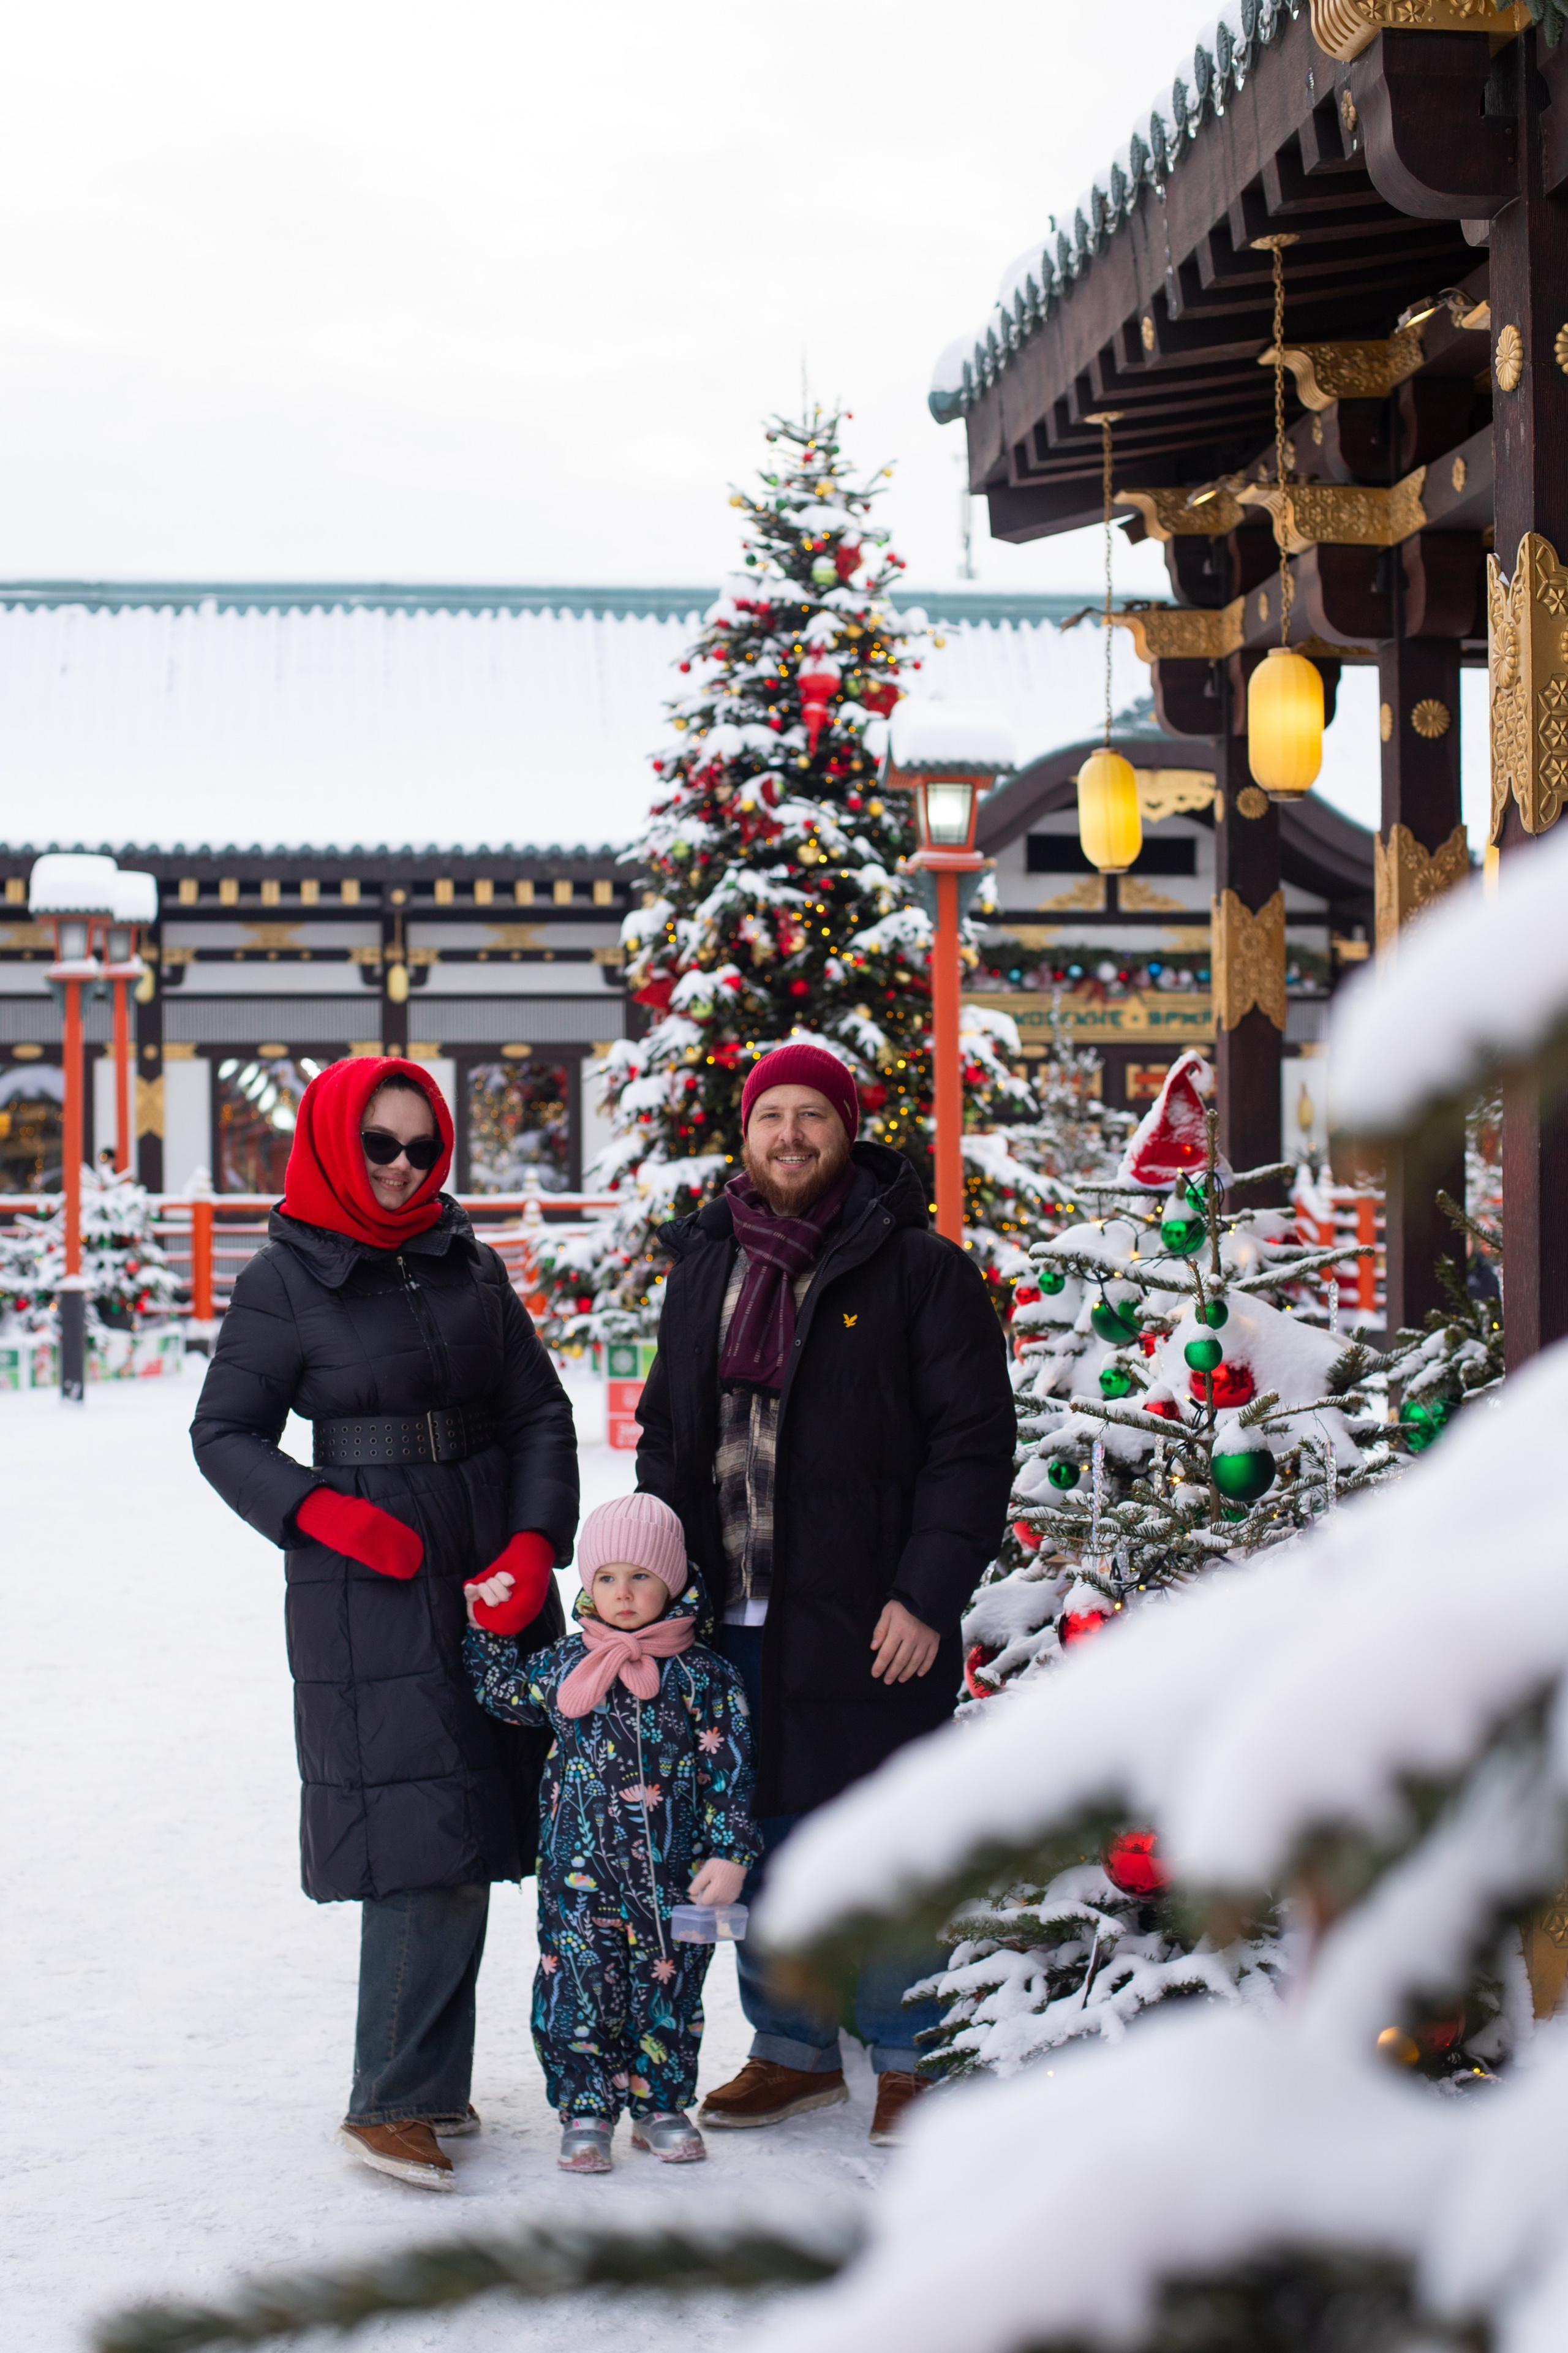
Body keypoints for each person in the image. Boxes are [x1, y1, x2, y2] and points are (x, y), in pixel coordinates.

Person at [190, 1054, 578, 2192]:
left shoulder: (468, 1262)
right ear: (330, 1143)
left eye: (424, 1148)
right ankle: (392, 2097)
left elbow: (538, 1410)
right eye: (381, 1146)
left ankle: (432, 2081)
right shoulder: (284, 1279)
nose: (405, 1168)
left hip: (483, 1555)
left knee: (485, 1811)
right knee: (424, 1827)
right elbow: (226, 1434)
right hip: (366, 1582)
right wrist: (321, 1514)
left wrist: (529, 1543)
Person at [635, 1040, 1015, 2146]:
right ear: (744, 1135)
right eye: (771, 1116)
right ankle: (792, 2046)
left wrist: (927, 1593)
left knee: (880, 1832)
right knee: (750, 1830)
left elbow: (971, 1446)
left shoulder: (917, 1269)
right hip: (728, 1613)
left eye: (812, 1114)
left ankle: (909, 2051)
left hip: (871, 1620)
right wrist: (659, 1584)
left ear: (846, 1129)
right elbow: (669, 1437)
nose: (789, 1134)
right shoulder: (706, 1264)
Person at [466, 1492, 758, 2173]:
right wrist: (485, 1627)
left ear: (673, 1582)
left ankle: (660, 2104)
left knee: (672, 1989)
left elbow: (732, 1772)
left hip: (676, 1875)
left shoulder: (707, 1676)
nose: (623, 1595)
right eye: (606, 1578)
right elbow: (503, 1694)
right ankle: (585, 2106)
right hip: (579, 1877)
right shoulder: (566, 1664)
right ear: (588, 1586)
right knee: (578, 1986)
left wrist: (731, 1851)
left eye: (640, 1578)